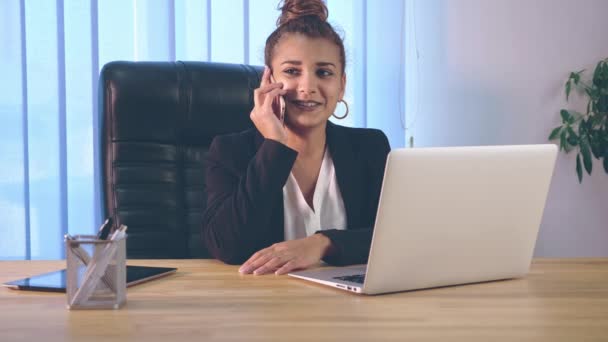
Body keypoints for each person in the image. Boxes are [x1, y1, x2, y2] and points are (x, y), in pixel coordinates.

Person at [201, 0, 390, 275]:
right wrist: (274, 146)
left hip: (351, 307)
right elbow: (227, 246)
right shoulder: (231, 151)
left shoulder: (369, 147)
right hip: (263, 306)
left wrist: (322, 244)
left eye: (324, 73)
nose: (308, 87)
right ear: (268, 81)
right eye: (292, 71)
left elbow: (394, 238)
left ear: (341, 86)